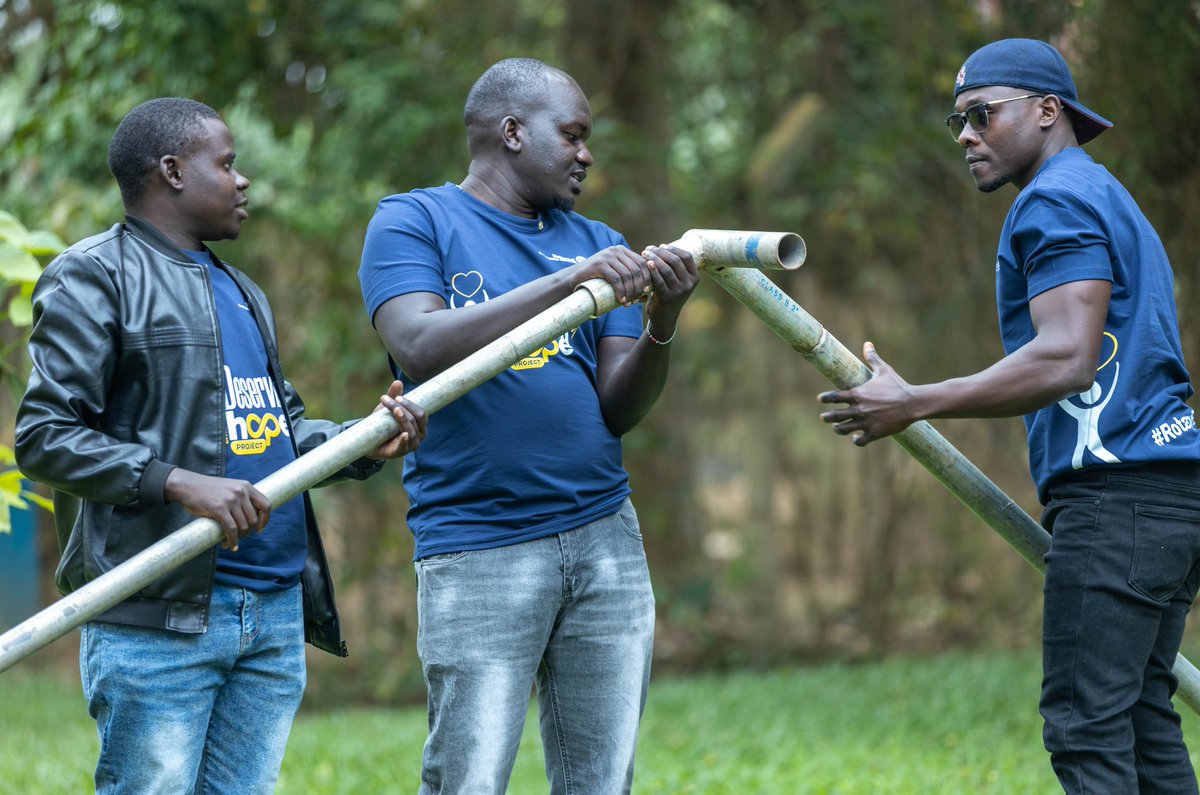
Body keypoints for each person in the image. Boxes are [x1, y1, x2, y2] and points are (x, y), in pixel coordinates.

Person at [817, 38, 1200, 793]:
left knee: (1087, 730)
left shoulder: (1054, 199)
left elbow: (1066, 358)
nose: (965, 134)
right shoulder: (1105, 194)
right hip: (1171, 496)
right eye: (957, 120)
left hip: (1117, 502)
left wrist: (915, 401)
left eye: (982, 115)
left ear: (1048, 110)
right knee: (1139, 721)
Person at [14, 97, 428, 794]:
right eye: (228, 164)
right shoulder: (94, 276)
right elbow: (45, 436)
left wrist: (363, 438)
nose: (243, 182)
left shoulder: (243, 291)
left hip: (269, 609)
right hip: (159, 617)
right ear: (172, 171)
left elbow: (276, 428)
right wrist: (176, 480)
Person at [358, 57, 699, 793]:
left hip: (604, 538)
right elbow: (417, 344)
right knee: (469, 778)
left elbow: (618, 407)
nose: (587, 154)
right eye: (572, 135)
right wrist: (565, 285)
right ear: (512, 132)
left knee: (601, 780)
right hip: (480, 547)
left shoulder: (594, 235)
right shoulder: (415, 220)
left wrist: (660, 322)